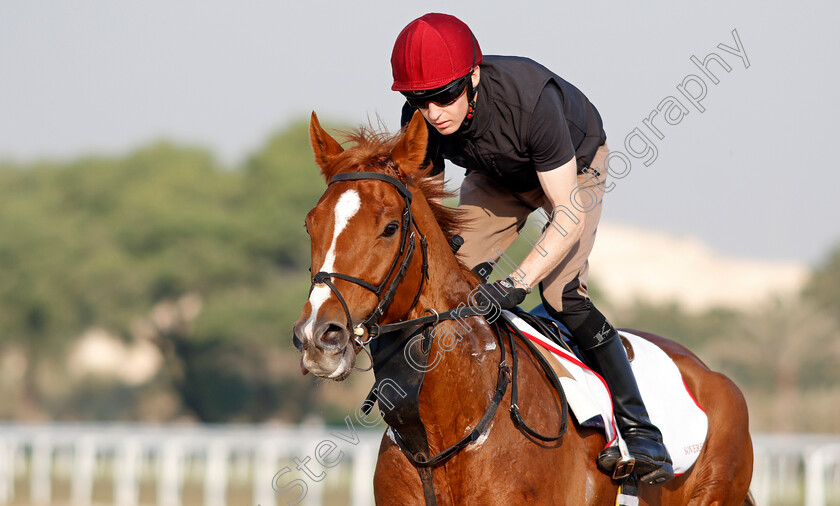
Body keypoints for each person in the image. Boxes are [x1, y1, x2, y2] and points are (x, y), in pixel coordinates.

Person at [389, 13, 674, 485]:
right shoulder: (421, 117)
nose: (434, 112)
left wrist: (517, 283)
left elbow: (565, 211)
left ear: (473, 77)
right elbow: (430, 215)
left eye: (444, 96)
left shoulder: (531, 102)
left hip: (573, 174)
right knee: (452, 281)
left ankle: (642, 433)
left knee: (561, 295)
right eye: (419, 100)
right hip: (497, 178)